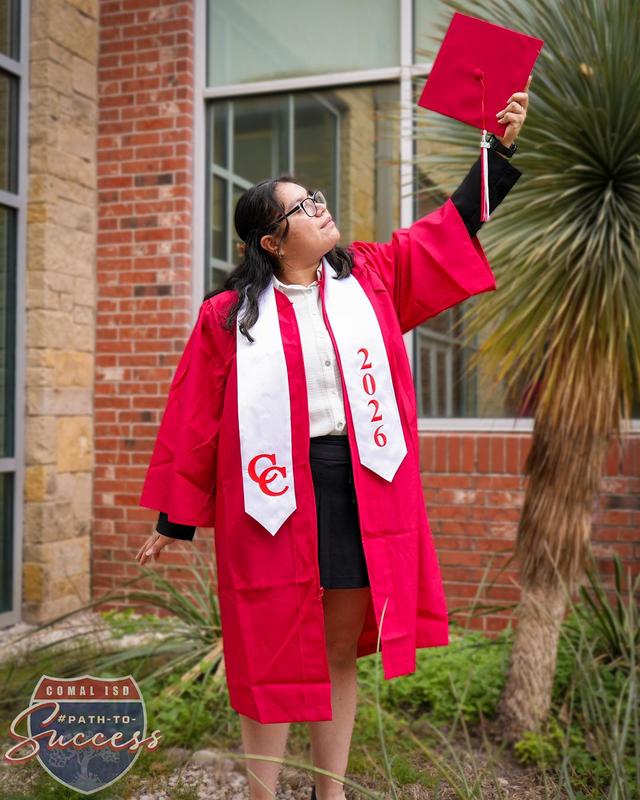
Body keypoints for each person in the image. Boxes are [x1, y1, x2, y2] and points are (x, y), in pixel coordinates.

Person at [136, 87, 530, 800]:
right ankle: (262, 790)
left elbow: (445, 234)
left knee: (337, 647)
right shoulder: (228, 319)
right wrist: (173, 518)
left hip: (358, 482)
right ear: (270, 240)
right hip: (270, 492)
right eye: (302, 207)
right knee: (270, 648)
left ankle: (331, 790)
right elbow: (196, 416)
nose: (320, 207)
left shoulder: (369, 280)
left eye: (316, 197)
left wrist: (496, 149)